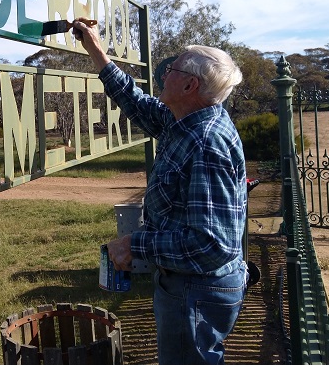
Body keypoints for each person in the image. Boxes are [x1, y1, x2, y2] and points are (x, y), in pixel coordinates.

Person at [72, 19, 248, 365]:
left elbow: (212, 245)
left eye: (173, 69)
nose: (164, 74)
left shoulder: (205, 143)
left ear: (189, 85)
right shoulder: (185, 121)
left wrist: (133, 243)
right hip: (190, 289)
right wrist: (97, 52)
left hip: (195, 291)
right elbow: (136, 103)